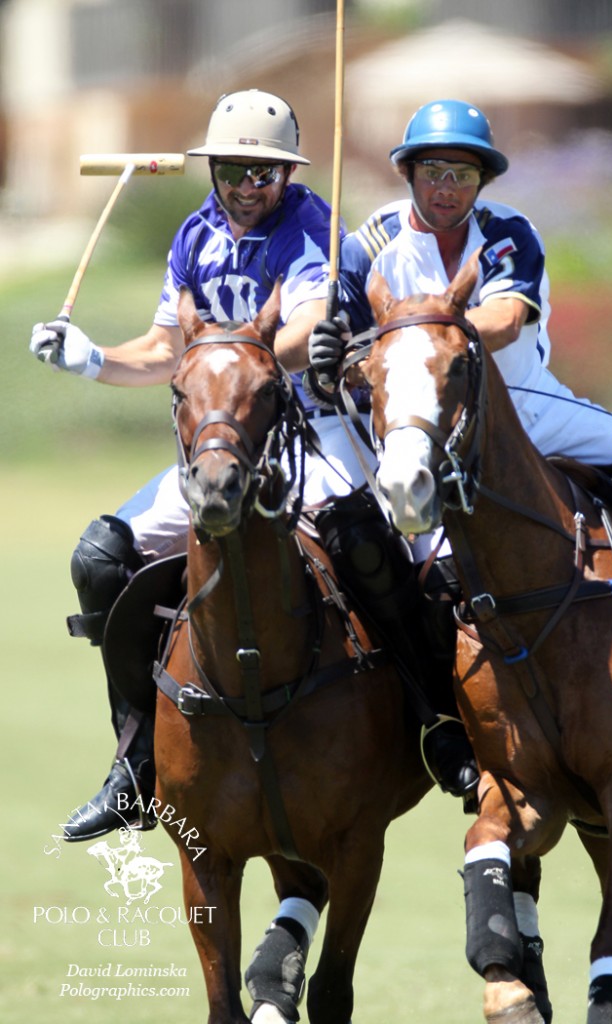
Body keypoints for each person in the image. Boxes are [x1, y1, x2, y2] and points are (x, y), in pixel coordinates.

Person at [30, 89, 474, 842]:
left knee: (363, 540)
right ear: (214, 169)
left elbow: (301, 332)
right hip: (225, 438)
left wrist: (244, 359)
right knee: (100, 559)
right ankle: (135, 760)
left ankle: (437, 721)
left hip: (315, 428)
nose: (246, 186)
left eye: (263, 173)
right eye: (234, 170)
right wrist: (90, 359)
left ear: (285, 175)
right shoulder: (193, 236)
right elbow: (166, 350)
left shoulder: (311, 229)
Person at [309, 98, 612, 475]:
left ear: (483, 181)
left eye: (464, 174)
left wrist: (413, 338)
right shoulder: (367, 249)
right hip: (418, 426)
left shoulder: (507, 232)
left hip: (529, 410)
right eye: (433, 170)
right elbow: (349, 368)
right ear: (406, 171)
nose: (447, 187)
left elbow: (505, 321)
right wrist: (328, 364)